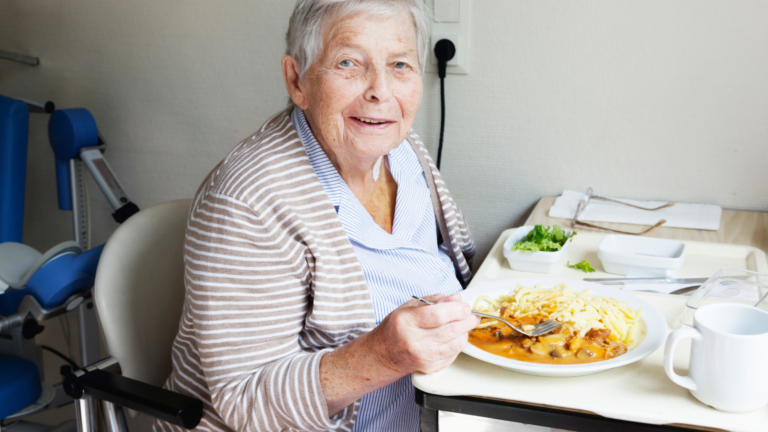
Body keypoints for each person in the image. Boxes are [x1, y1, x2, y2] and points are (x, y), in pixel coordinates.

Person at [155, 1, 477, 431]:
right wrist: (382, 356)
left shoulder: (399, 147)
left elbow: (462, 264)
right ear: (297, 80)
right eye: (349, 63)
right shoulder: (248, 201)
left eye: (400, 64)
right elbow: (246, 401)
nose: (381, 90)